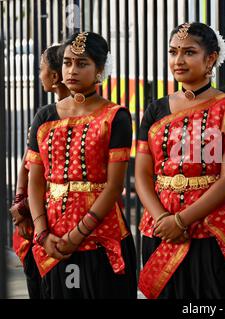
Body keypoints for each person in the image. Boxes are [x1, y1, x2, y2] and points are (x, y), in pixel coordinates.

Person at [136, 22, 225, 299]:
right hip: (160, 228)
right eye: (173, 52)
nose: (178, 60)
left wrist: (182, 220)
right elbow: (142, 175)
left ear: (210, 58)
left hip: (213, 232)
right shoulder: (155, 110)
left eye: (189, 52)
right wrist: (164, 218)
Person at [26, 31, 137, 298]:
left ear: (99, 69)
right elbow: (35, 180)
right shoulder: (45, 116)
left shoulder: (116, 117)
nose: (72, 70)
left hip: (101, 236)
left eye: (82, 63)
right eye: (66, 62)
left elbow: (114, 186)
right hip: (50, 237)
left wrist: (77, 235)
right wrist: (42, 233)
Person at [9, 44, 70, 299]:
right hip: (39, 214)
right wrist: (21, 205)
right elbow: (28, 165)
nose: (39, 74)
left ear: (55, 77)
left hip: (61, 216)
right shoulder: (45, 115)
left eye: (41, 69)